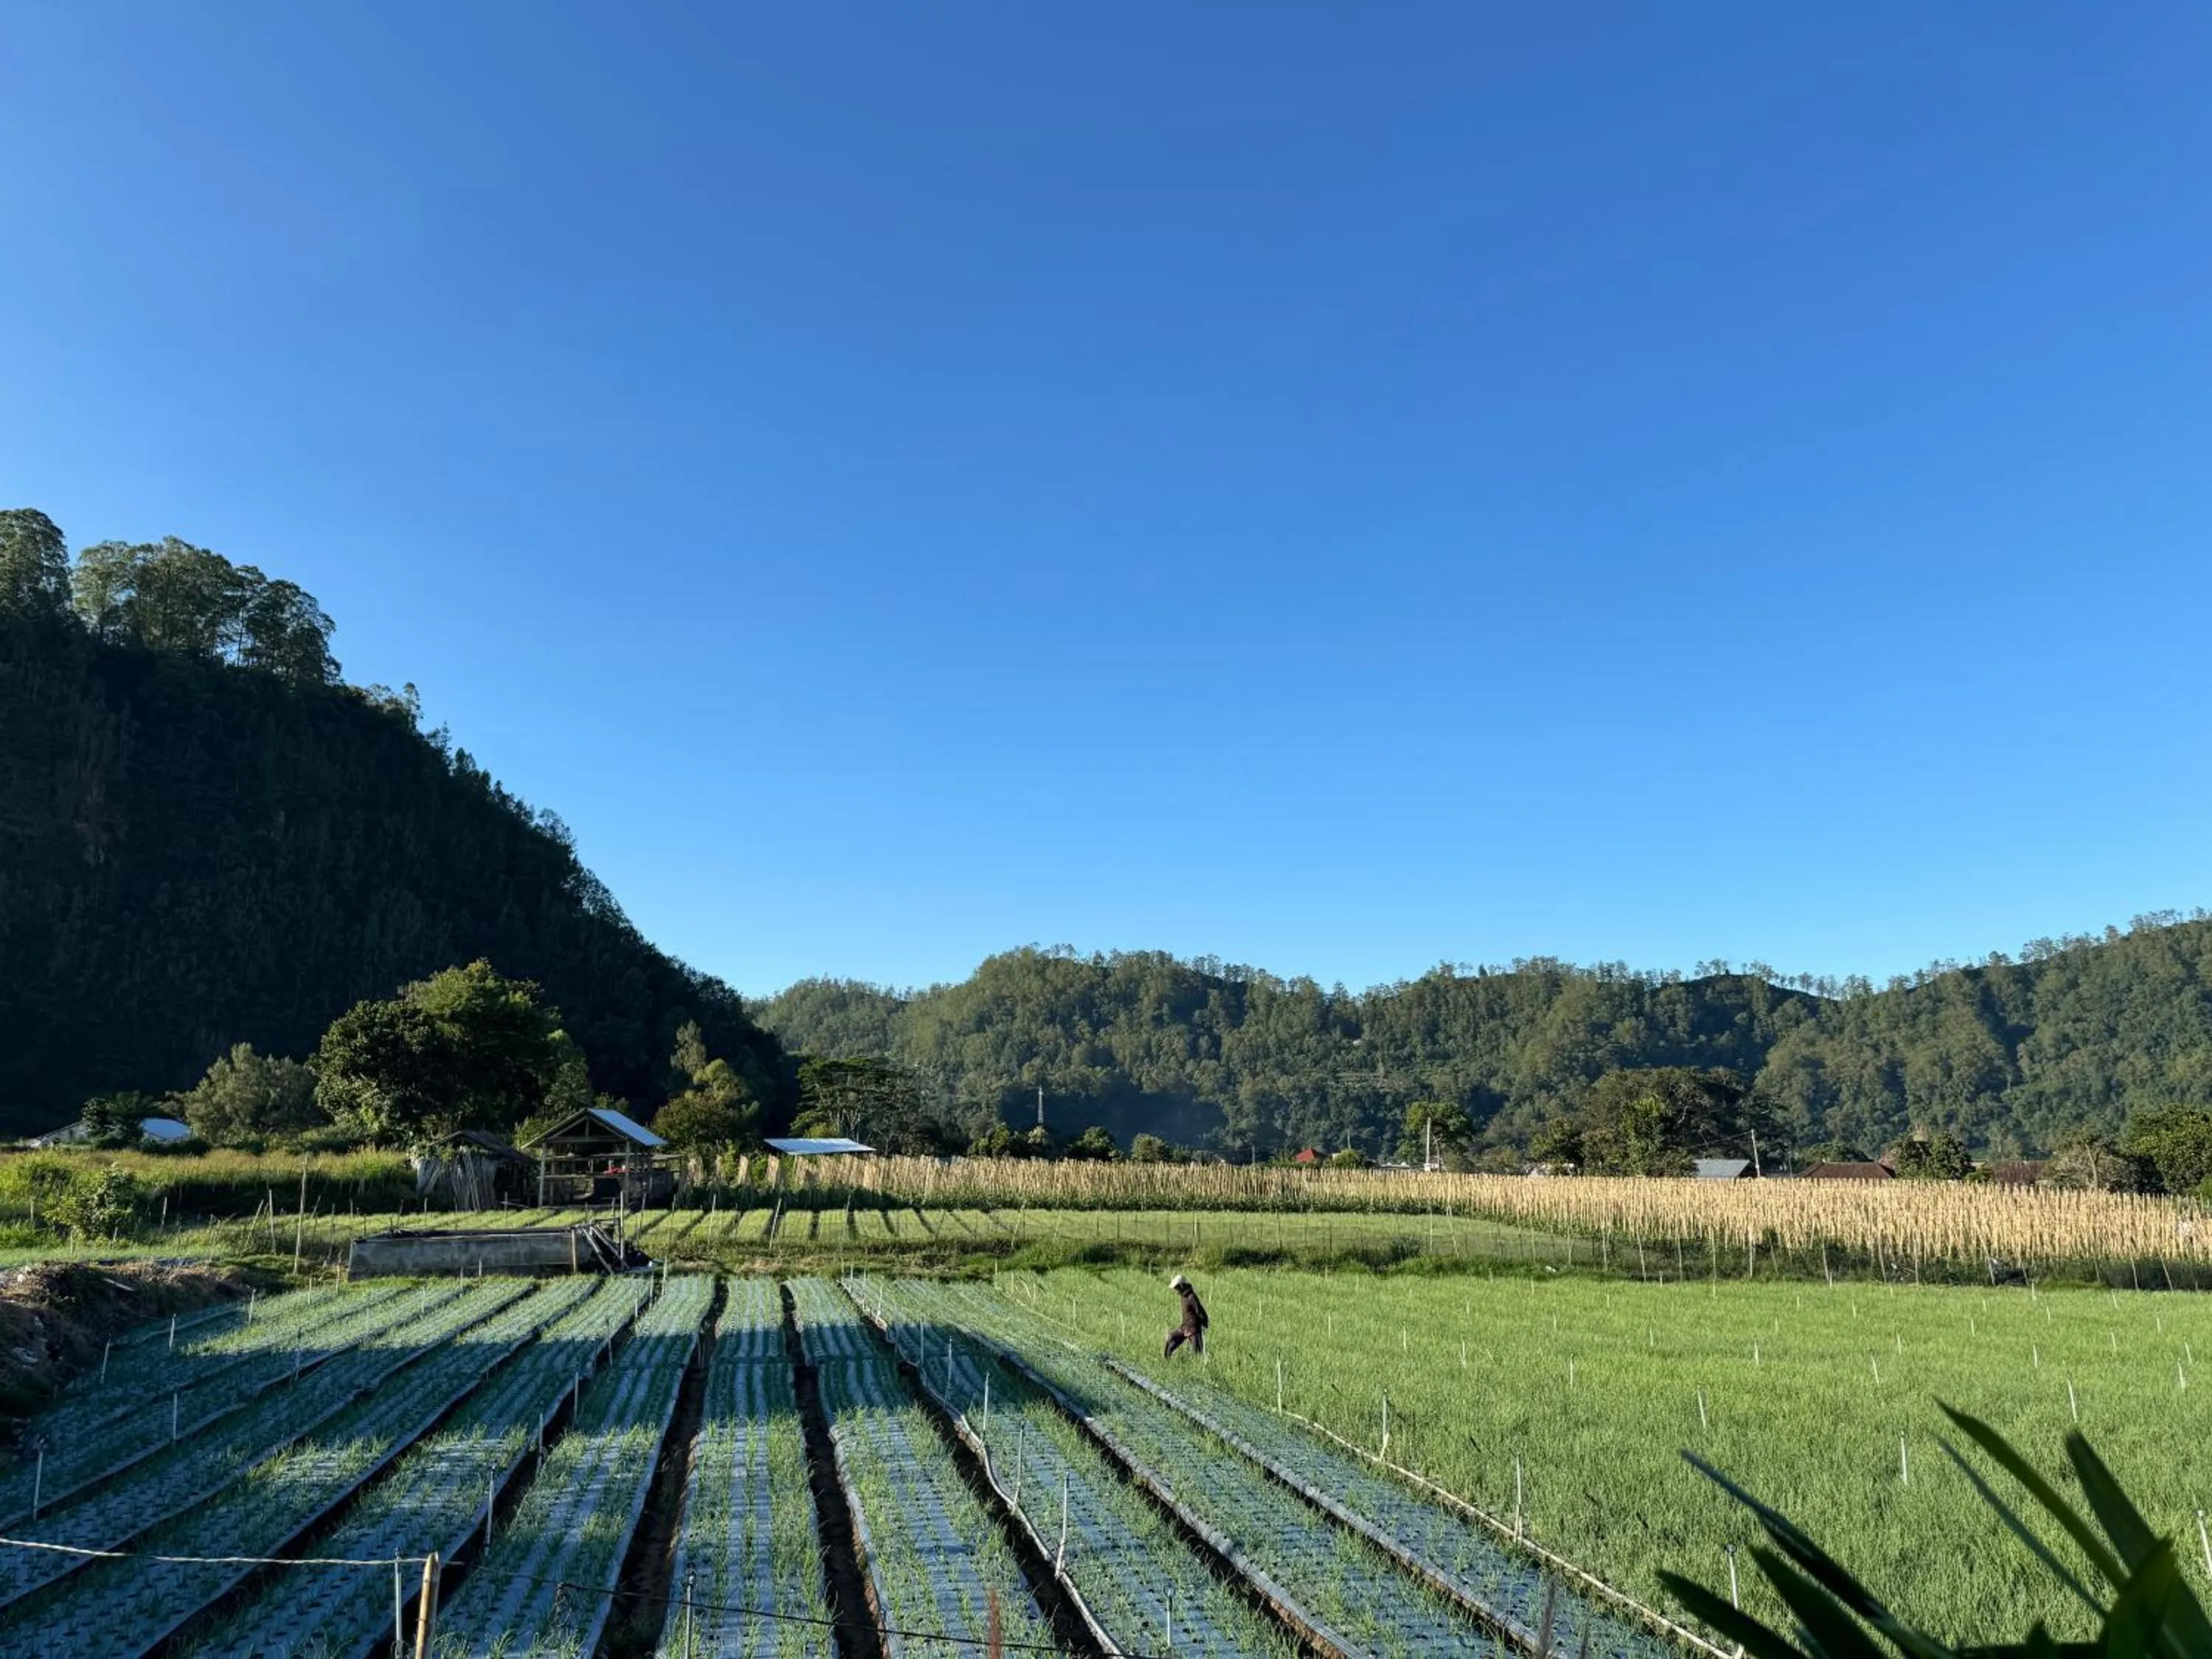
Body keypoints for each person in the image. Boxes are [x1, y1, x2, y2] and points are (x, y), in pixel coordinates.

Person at [1164, 1273, 1208, 1357]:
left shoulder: (1191, 1297)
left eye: (1177, 1287)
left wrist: (1204, 1322)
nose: (1176, 1289)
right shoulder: (1183, 1296)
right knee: (1170, 1339)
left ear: (1182, 1285)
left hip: (1194, 1329)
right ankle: (1166, 1363)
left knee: (1197, 1355)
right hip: (1185, 1327)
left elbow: (1200, 1310)